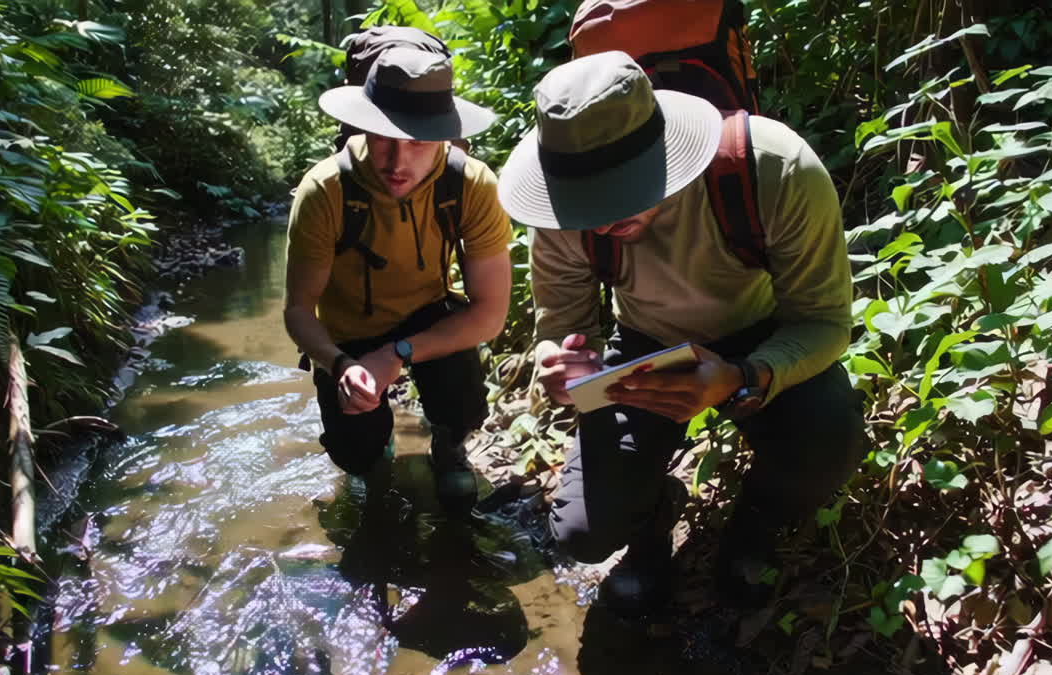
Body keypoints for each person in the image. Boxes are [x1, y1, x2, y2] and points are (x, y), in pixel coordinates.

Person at [496, 51, 869, 617]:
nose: (598, 222)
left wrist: (744, 378)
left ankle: (752, 531)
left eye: (617, 196)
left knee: (829, 441)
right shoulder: (558, 212)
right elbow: (562, 325)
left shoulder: (773, 167)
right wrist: (562, 363)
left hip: (762, 336)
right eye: (584, 204)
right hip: (644, 347)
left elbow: (825, 322)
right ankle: (650, 523)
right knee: (582, 534)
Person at [284, 46, 512, 514]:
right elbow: (298, 310)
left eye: (420, 141)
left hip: (427, 316)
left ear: (446, 135)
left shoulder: (471, 184)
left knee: (465, 403)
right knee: (356, 452)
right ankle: (375, 449)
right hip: (347, 332)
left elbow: (489, 313)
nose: (397, 161)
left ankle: (449, 446)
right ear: (364, 123)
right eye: (385, 136)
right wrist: (341, 365)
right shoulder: (325, 190)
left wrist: (397, 354)